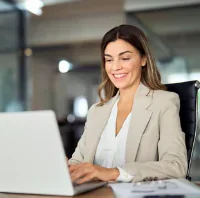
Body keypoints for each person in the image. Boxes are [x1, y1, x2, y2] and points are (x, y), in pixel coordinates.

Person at [68, 24, 187, 183]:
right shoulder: (97, 111)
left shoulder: (163, 102)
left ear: (143, 59)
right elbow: (77, 162)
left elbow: (175, 166)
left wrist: (113, 173)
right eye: (109, 59)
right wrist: (65, 167)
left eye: (125, 58)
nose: (115, 67)